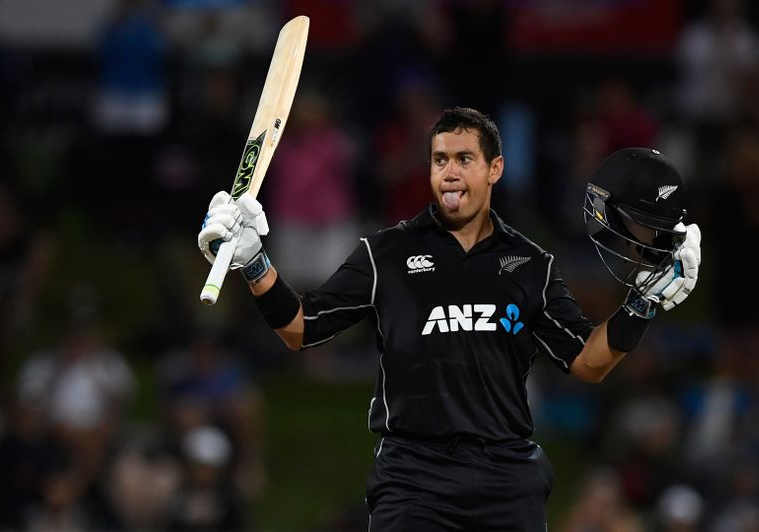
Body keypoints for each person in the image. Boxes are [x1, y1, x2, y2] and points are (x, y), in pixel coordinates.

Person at [197, 107, 702, 530]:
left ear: (495, 168)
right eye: (440, 159)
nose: (450, 172)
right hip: (414, 479)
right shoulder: (385, 254)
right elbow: (300, 328)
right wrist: (255, 263)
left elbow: (588, 362)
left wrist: (640, 305)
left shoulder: (531, 266)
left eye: (465, 159)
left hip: (508, 478)